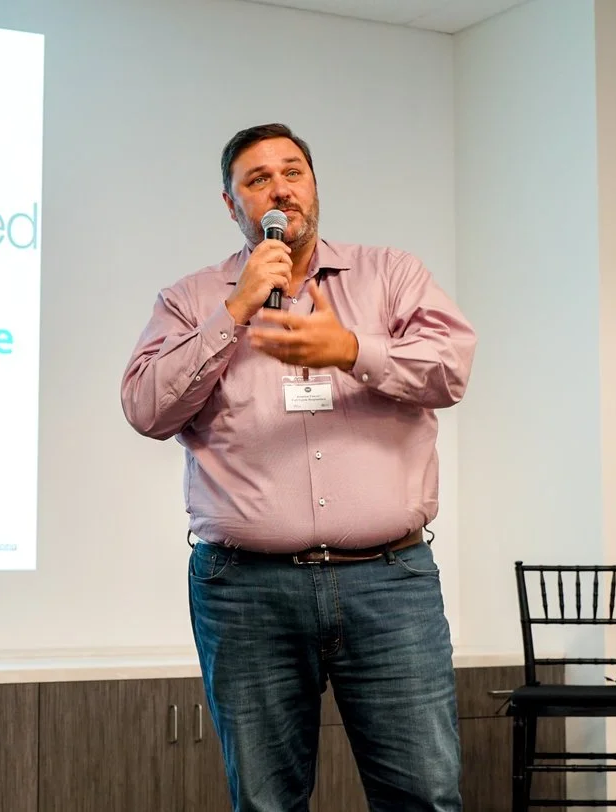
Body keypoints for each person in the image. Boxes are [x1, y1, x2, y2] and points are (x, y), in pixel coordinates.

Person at [120, 122, 477, 812]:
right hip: (245, 590)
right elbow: (145, 407)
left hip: (390, 582)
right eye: (257, 179)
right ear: (232, 204)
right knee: (267, 803)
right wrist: (234, 310)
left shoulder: (391, 275)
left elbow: (450, 369)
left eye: (293, 172)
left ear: (313, 186)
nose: (280, 189)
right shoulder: (190, 300)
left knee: (426, 797)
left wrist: (351, 350)